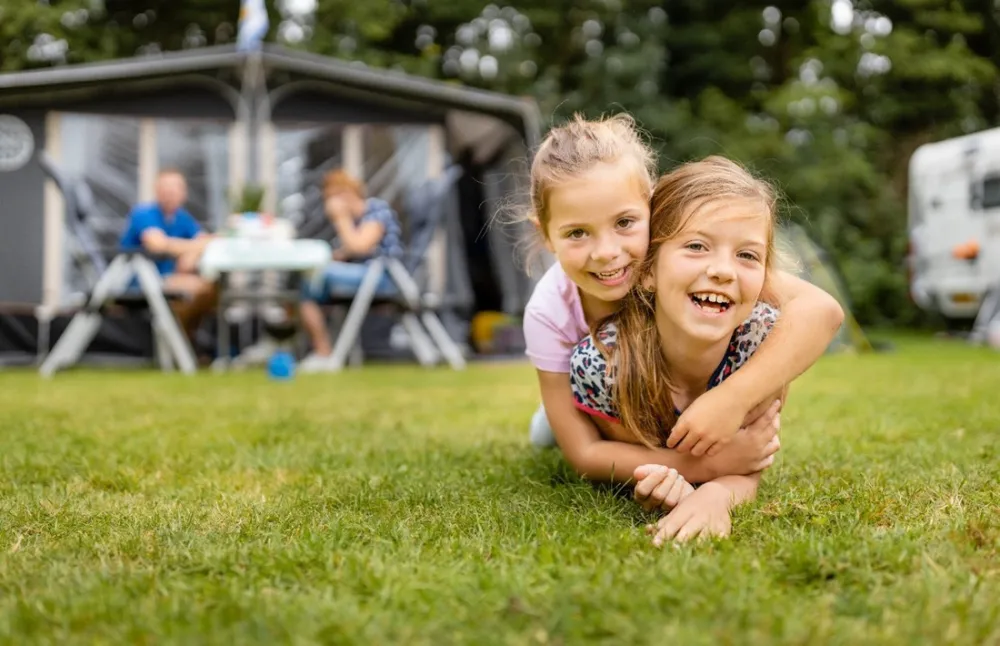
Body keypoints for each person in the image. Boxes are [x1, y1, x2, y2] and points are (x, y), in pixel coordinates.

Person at [520, 113, 844, 475]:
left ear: (653, 208)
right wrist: (702, 467)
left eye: (624, 223)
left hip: (666, 393)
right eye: (577, 233)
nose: (607, 252)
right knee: (553, 428)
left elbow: (820, 309)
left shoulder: (679, 263)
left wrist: (732, 399)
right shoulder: (549, 312)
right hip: (592, 396)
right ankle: (545, 422)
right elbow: (585, 453)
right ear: (546, 235)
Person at [569, 156, 795, 544]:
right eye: (696, 246)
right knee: (548, 430)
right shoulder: (602, 366)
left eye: (747, 255)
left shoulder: (766, 344)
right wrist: (663, 477)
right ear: (648, 271)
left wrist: (716, 495)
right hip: (596, 406)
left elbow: (750, 462)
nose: (723, 270)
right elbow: (624, 460)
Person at [299, 169, 403, 372]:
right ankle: (323, 350)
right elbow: (349, 251)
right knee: (307, 285)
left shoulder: (376, 210)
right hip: (365, 276)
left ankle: (324, 353)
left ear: (346, 194)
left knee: (314, 278)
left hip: (383, 278)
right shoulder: (358, 221)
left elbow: (360, 246)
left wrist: (341, 218)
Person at [119, 169, 216, 344]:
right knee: (204, 288)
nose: (170, 192)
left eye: (175, 188)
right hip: (139, 281)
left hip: (166, 279)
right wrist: (192, 248)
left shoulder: (182, 218)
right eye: (165, 188)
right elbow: (157, 244)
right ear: (156, 190)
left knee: (214, 288)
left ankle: (184, 340)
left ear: (184, 192)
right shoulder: (143, 213)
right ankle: (180, 342)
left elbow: (206, 241)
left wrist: (189, 254)